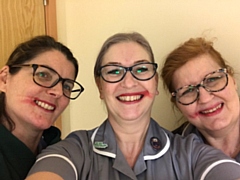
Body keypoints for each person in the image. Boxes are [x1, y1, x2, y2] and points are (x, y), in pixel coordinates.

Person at [26, 32, 240, 180]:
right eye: (114, 71)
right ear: (100, 87)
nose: (128, 83)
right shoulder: (73, 150)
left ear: (155, 83)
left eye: (141, 69)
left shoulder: (191, 151)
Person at [0, 35, 84, 180]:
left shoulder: (66, 152)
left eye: (67, 86)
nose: (58, 92)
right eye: (43, 75)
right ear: (4, 79)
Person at [161, 37, 240, 162]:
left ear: (232, 79)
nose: (205, 99)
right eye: (188, 91)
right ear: (177, 105)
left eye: (212, 80)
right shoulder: (166, 157)